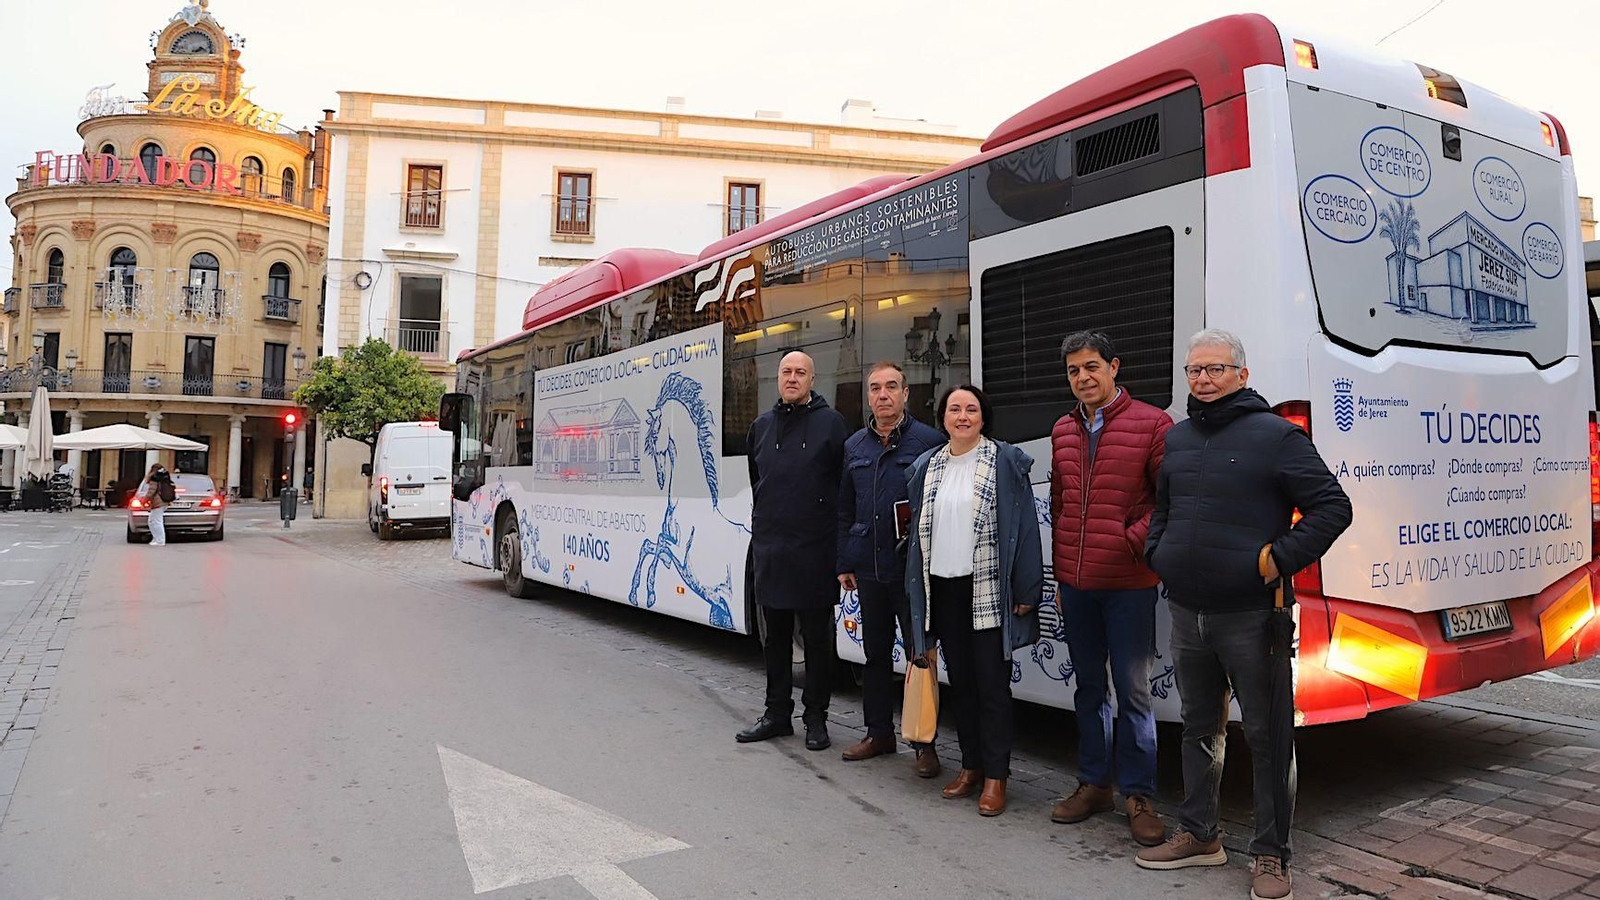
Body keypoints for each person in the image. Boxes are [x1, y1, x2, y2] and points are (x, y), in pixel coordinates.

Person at [1137, 329, 1352, 900]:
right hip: (1188, 611)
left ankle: (1271, 854)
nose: (1202, 379)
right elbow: (1164, 507)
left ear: (1242, 375)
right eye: (1194, 370)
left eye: (1215, 369)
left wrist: (1276, 560)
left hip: (1254, 615)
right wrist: (1159, 553)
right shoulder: (1178, 439)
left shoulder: (1277, 436)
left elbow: (1334, 507)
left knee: (1268, 735)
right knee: (1198, 730)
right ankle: (1200, 835)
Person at [1048, 331, 1171, 846]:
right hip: (1077, 585)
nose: (1084, 378)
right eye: (1075, 370)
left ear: (1114, 366)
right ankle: (1094, 782)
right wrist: (1061, 571)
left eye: (1092, 366)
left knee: (1135, 692)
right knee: (1089, 689)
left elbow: (1170, 501)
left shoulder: (1152, 423)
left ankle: (1138, 795)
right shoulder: (1061, 428)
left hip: (1128, 583)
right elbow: (1059, 502)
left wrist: (1131, 541)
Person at [904, 385, 1042, 817]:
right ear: (942, 417)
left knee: (992, 687)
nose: (962, 416)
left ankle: (997, 777)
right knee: (961, 684)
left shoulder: (1003, 461)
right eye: (954, 409)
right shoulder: (928, 465)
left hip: (986, 589)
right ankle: (971, 767)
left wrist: (1027, 588)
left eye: (971, 409)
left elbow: (1026, 528)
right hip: (943, 590)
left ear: (983, 417)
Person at [836, 361, 946, 777]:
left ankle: (924, 742)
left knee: (921, 655)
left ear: (905, 395)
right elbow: (845, 508)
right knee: (874, 654)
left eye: (891, 387)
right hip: (868, 568)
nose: (883, 395)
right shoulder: (854, 447)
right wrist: (844, 560)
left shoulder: (929, 443)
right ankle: (878, 733)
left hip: (912, 571)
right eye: (875, 388)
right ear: (868, 397)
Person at [738, 351, 849, 751]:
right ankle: (776, 714)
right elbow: (759, 481)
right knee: (775, 640)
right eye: (787, 371)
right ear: (778, 378)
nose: (793, 377)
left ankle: (816, 718)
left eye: (801, 372)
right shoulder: (761, 427)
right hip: (772, 549)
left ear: (812, 379)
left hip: (816, 552)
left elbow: (842, 488)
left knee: (818, 642)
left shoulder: (832, 425)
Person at [137, 463, 174, 546]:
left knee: (157, 522)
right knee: (152, 521)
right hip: (163, 501)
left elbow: (151, 491)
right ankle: (156, 538)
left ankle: (160, 540)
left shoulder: (155, 478)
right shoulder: (164, 477)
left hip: (158, 502)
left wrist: (144, 500)